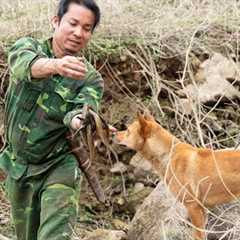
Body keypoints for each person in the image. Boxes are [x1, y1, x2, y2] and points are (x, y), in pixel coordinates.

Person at [0, 0, 103, 239]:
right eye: (73, 23)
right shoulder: (28, 46)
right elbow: (22, 66)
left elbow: (81, 110)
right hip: (18, 166)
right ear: (56, 21)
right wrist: (56, 66)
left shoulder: (90, 78)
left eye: (87, 28)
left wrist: (80, 120)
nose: (79, 33)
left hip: (58, 166)